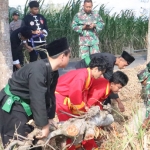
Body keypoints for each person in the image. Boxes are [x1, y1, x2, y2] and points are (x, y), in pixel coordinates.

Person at [0, 37, 70, 148]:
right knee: (17, 138)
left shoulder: (53, 71)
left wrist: (50, 117)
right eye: (69, 56)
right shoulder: (38, 70)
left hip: (26, 101)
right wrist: (44, 125)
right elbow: (38, 98)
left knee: (34, 140)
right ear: (62, 57)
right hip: (13, 104)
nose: (69, 59)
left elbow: (50, 95)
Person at [80, 71, 129, 150]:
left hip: (84, 102)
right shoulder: (102, 89)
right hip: (76, 103)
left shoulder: (107, 87)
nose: (120, 90)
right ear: (112, 83)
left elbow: (97, 103)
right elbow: (88, 107)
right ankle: (89, 145)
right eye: (119, 87)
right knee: (88, 125)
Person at [137, 62, 150, 128]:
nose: (142, 83)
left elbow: (149, 105)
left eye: (142, 82)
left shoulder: (148, 86)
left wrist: (147, 118)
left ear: (145, 78)